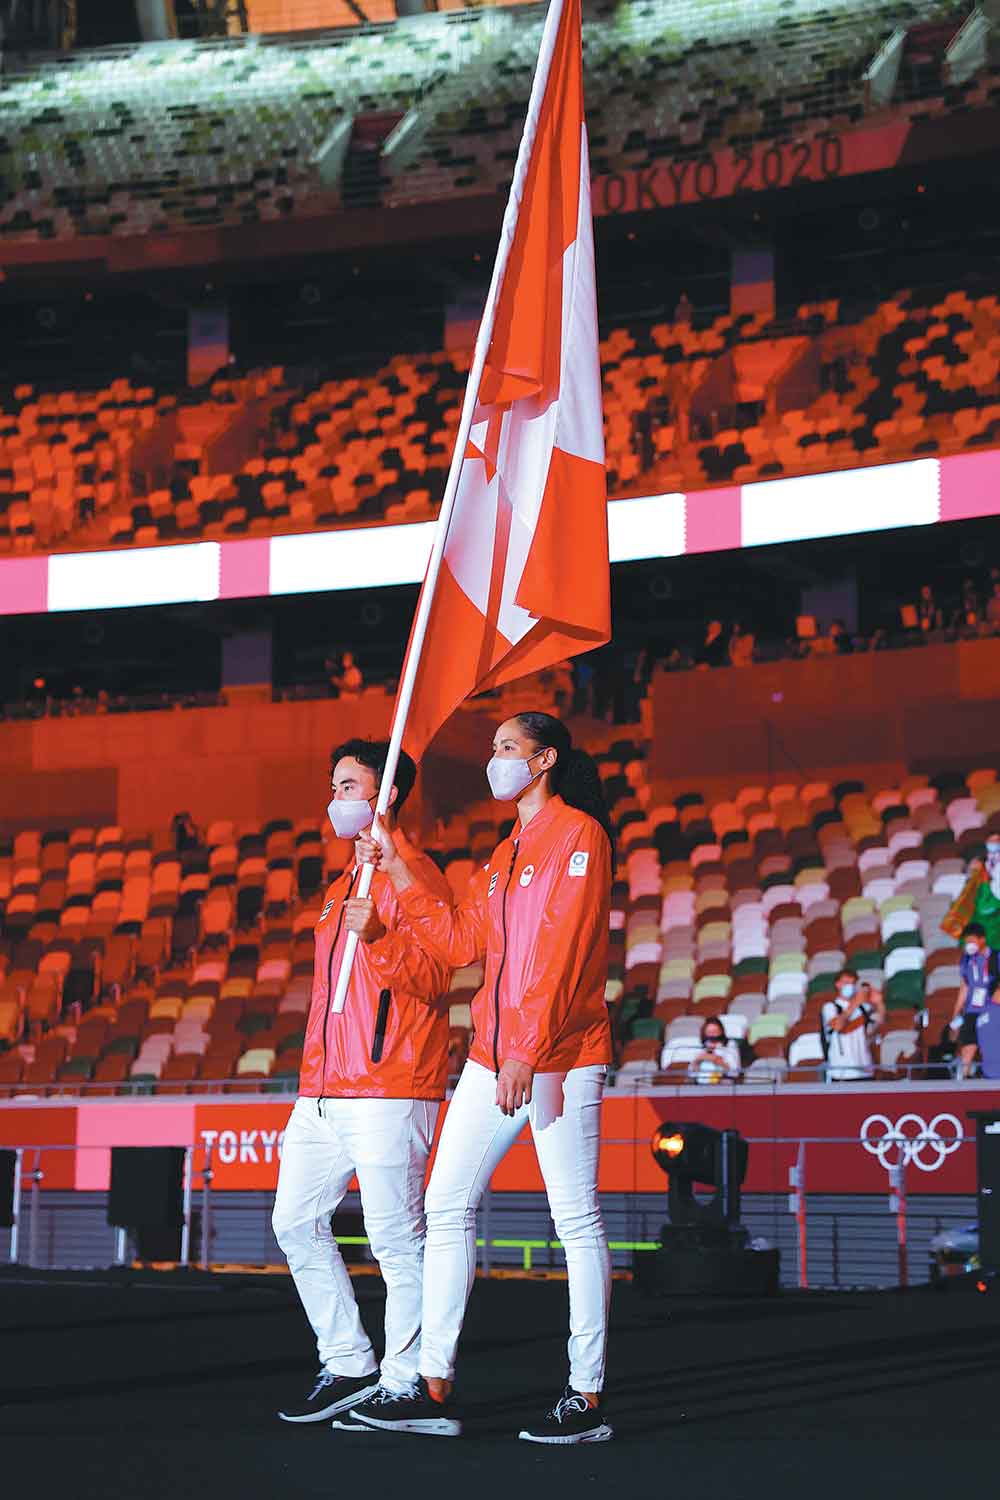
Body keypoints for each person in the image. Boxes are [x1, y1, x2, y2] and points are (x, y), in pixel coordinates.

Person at [344, 711, 614, 1445]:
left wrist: (527, 1048)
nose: (495, 760)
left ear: (545, 759)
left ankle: (585, 1395)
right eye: (493, 748)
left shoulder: (579, 837)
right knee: (445, 1201)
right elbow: (461, 940)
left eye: (507, 748)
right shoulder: (504, 853)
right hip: (491, 1057)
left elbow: (564, 951)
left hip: (559, 1057)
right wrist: (397, 862)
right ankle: (431, 1383)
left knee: (575, 1220)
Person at [271, 739, 453, 1426]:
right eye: (335, 783)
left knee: (396, 1241)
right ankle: (348, 1360)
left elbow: (439, 979)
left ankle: (405, 1381)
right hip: (321, 1091)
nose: (336, 797)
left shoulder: (415, 876)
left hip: (389, 1084)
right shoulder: (339, 887)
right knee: (295, 1222)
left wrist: (380, 935)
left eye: (349, 785)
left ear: (386, 798)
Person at [948, 922, 1000, 1078]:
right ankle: (963, 1079)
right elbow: (965, 986)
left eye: (972, 940)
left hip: (991, 1010)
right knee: (968, 1044)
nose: (969, 945)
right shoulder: (966, 960)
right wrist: (956, 1013)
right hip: (972, 1010)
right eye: (967, 941)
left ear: (982, 939)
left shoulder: (996, 958)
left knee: (990, 1046)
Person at [821, 969, 885, 1081]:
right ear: (837, 984)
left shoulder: (863, 1008)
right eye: (846, 983)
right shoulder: (830, 1007)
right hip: (842, 1072)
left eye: (852, 984)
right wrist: (855, 1003)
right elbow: (837, 1026)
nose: (849, 987)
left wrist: (879, 1003)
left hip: (865, 1070)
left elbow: (878, 1024)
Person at [686, 1016, 741, 1083]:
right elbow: (691, 1073)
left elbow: (734, 1072)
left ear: (721, 1032)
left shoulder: (730, 1045)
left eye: (715, 1032)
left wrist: (715, 1059)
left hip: (723, 1083)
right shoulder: (700, 1046)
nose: (712, 1035)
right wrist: (698, 1060)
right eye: (709, 1032)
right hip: (701, 1082)